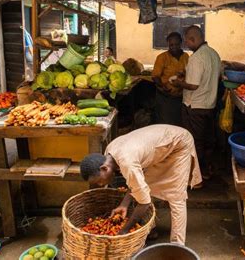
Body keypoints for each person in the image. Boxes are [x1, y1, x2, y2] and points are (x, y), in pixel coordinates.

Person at [80, 125, 202, 245]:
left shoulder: (127, 162)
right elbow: (135, 182)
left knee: (176, 195)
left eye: (99, 181)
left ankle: (177, 246)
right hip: (162, 145)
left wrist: (124, 231)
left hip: (179, 143)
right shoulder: (109, 153)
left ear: (104, 168)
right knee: (144, 186)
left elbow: (144, 202)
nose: (101, 184)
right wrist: (124, 204)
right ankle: (150, 230)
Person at [172, 25, 221, 184]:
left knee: (195, 141)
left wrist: (179, 83)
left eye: (187, 41)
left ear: (192, 39)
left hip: (195, 106)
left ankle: (197, 177)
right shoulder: (214, 54)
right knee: (207, 139)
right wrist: (185, 74)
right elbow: (210, 76)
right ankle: (207, 170)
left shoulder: (196, 57)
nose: (186, 45)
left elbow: (193, 85)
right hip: (209, 105)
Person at [152, 32, 189, 126]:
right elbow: (155, 76)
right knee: (165, 123)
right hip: (165, 96)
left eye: (176, 44)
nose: (174, 47)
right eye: (171, 45)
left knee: (178, 123)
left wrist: (183, 74)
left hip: (180, 97)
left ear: (181, 43)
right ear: (168, 44)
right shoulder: (162, 57)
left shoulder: (186, 57)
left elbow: (189, 72)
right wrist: (163, 86)